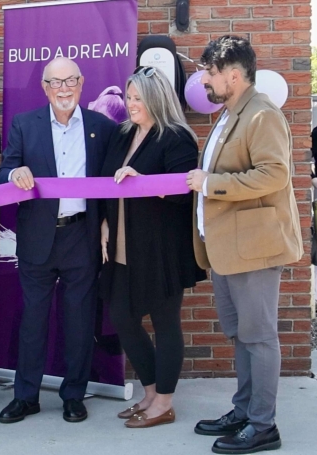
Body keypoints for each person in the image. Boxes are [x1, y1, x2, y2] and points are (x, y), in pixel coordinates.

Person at [186, 35, 302, 454]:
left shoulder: (262, 114)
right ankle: (244, 411)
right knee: (242, 336)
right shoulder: (230, 114)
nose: (204, 80)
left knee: (259, 337)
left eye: (210, 72)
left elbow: (274, 174)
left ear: (233, 75)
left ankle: (263, 425)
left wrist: (211, 184)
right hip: (227, 249)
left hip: (254, 248)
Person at [0, 57, 116, 424]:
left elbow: (111, 182)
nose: (64, 89)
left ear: (81, 83)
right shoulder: (24, 124)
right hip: (38, 236)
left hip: (82, 235)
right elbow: (4, 170)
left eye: (70, 81)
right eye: (55, 82)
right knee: (33, 322)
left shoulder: (101, 127)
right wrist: (15, 173)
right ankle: (26, 397)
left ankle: (74, 396)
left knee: (79, 322)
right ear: (44, 88)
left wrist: (107, 223)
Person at [99, 66, 204, 429]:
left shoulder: (177, 137)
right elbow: (106, 184)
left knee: (165, 322)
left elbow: (183, 193)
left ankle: (164, 403)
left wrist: (142, 182)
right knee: (122, 317)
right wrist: (104, 222)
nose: (131, 104)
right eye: (129, 97)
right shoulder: (123, 134)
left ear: (156, 99)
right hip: (122, 244)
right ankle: (149, 393)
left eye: (139, 98)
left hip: (161, 249)